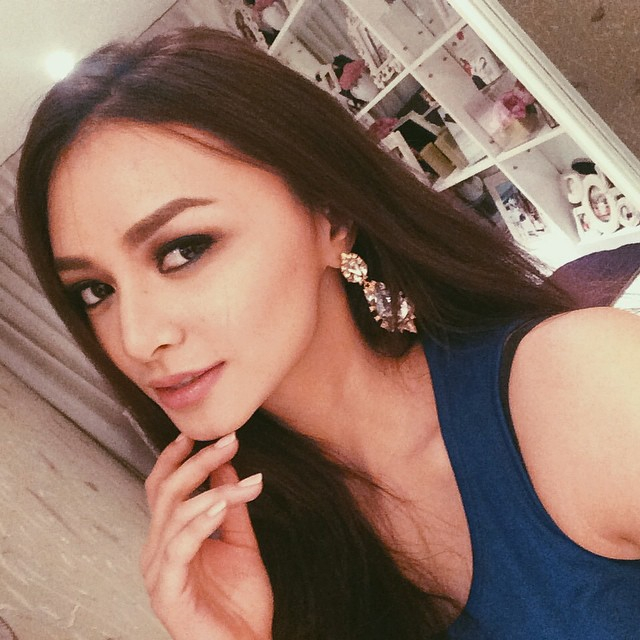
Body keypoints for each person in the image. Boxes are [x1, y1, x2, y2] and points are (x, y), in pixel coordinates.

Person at [15, 27, 640, 640]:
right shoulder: (254, 557)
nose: (135, 338)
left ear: (330, 217)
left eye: (184, 250)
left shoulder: (578, 388)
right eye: (94, 291)